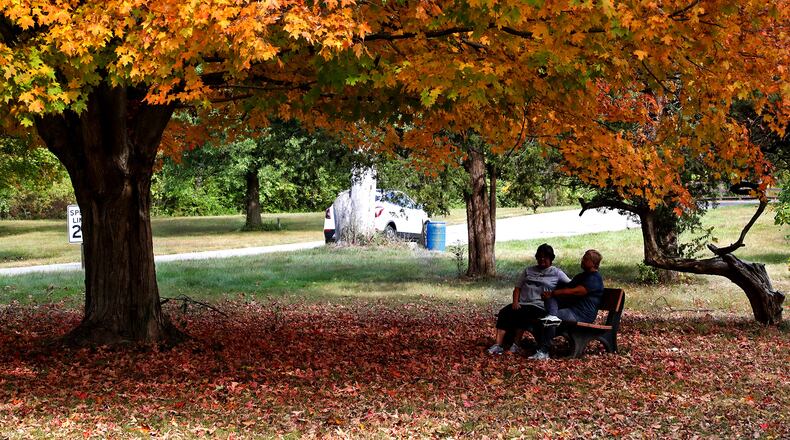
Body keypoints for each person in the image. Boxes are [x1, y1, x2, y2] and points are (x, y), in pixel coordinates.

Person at [487, 244, 570, 355]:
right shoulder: (528, 270)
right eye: (539, 256)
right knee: (504, 312)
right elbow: (517, 288)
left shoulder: (556, 273)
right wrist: (515, 302)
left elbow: (571, 284)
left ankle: (516, 345)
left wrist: (555, 294)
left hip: (539, 306)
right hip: (522, 303)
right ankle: (498, 345)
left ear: (551, 258)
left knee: (524, 313)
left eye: (545, 257)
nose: (542, 259)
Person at [529, 249, 604, 360]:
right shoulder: (580, 276)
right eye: (583, 257)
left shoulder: (595, 279)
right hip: (571, 309)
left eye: (586, 259)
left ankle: (544, 351)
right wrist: (550, 293)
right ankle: (552, 317)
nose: (582, 260)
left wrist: (553, 292)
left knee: (550, 318)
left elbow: (576, 291)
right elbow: (567, 288)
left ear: (594, 263)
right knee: (551, 307)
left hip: (581, 314)